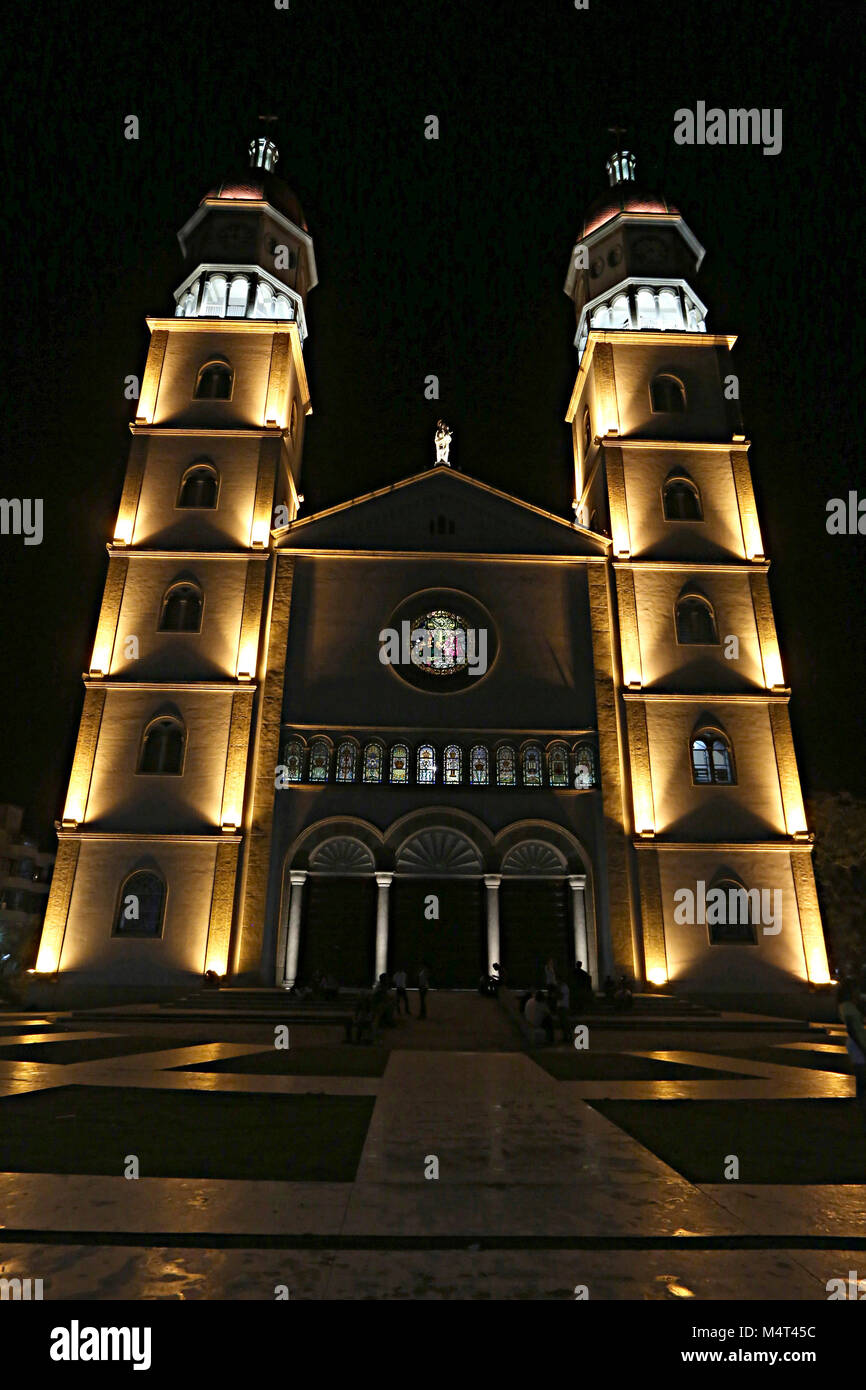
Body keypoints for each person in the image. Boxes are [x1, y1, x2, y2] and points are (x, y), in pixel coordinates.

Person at [838, 977, 866, 1120]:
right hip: (856, 1043)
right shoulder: (847, 1006)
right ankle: (859, 1102)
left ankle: (860, 1102)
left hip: (859, 1041)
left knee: (862, 1074)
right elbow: (852, 1029)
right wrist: (862, 1046)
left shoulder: (851, 1005)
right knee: (861, 1074)